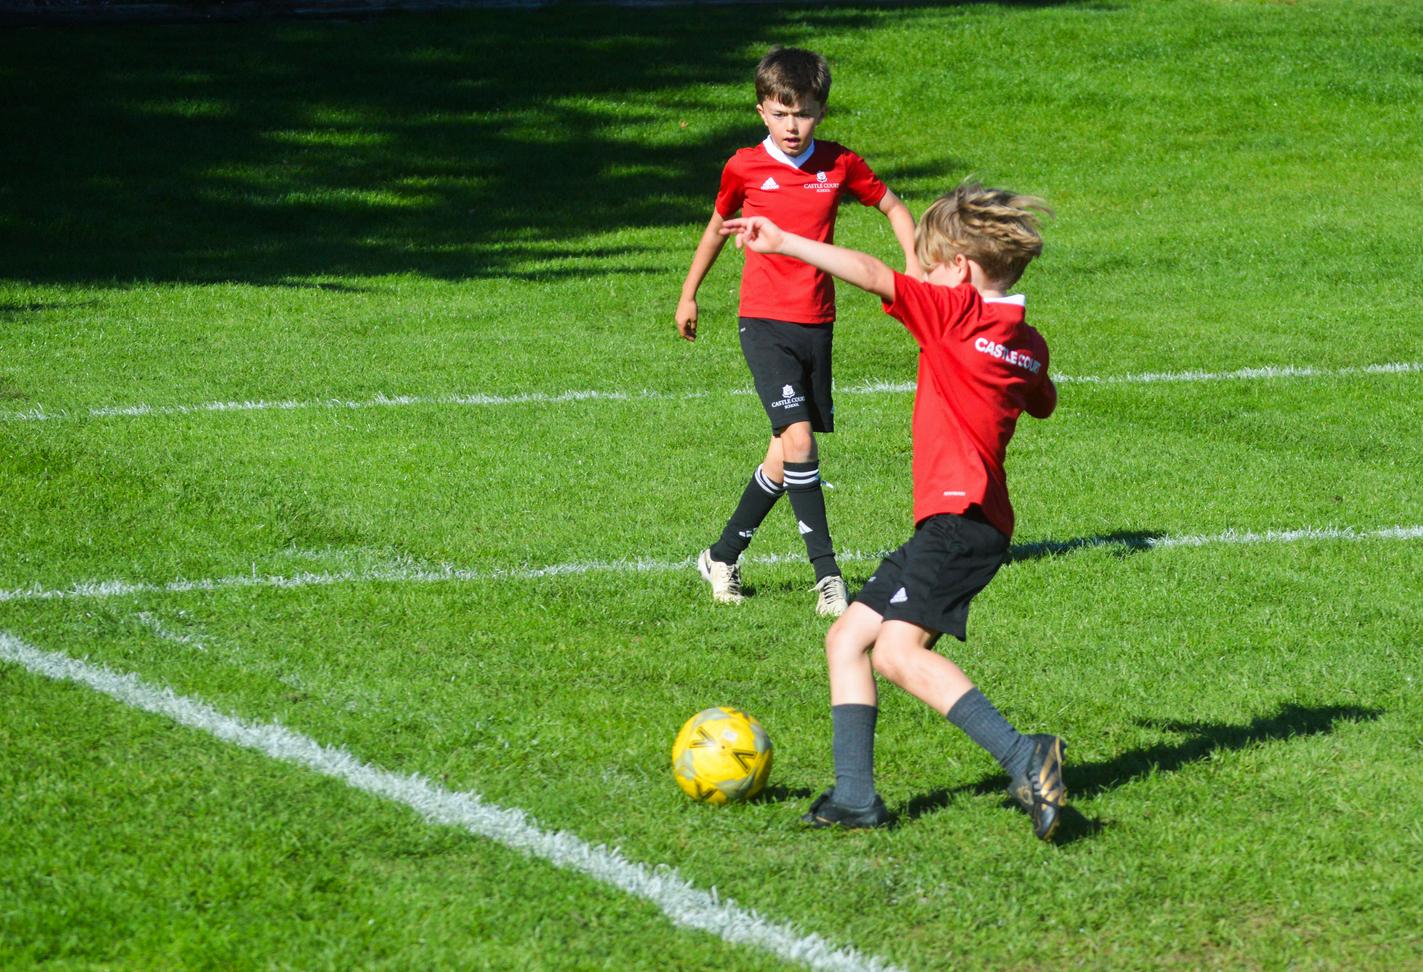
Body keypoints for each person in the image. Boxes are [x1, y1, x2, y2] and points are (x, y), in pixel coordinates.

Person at [721, 182, 1067, 839]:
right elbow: (1042, 400)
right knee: (846, 639)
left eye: (928, 267)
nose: (920, 279)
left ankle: (1026, 755)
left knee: (897, 654)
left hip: (958, 519)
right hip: (968, 522)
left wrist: (785, 241)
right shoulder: (1027, 342)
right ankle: (856, 797)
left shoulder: (954, 312)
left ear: (959, 270)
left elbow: (873, 274)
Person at [676, 46, 920, 617]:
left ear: (821, 112)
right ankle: (828, 576)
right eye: (781, 113)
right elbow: (717, 228)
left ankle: (721, 556)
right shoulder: (743, 166)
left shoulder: (839, 163)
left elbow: (893, 206)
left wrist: (912, 264)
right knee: (802, 440)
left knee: (784, 454)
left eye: (804, 113)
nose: (792, 126)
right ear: (761, 111)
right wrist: (689, 293)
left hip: (817, 322)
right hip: (763, 322)